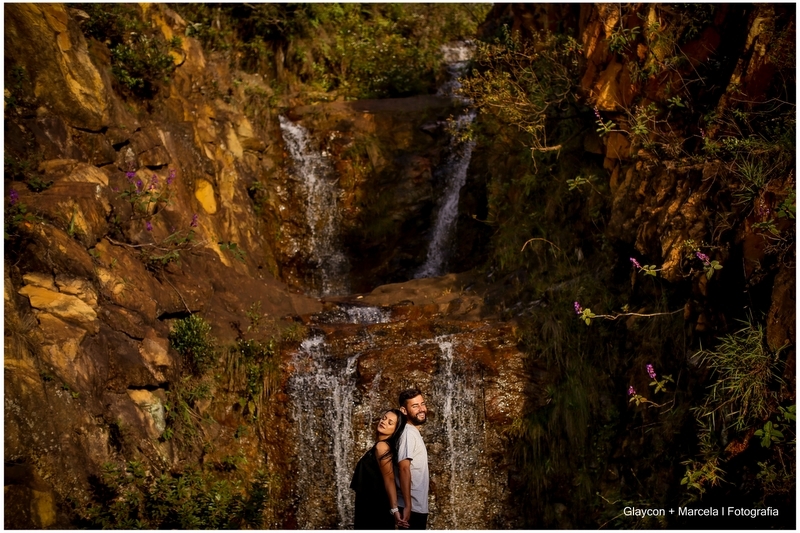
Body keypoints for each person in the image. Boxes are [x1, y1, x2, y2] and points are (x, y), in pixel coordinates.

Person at [350, 409, 410, 530]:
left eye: (390, 422)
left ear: (395, 430)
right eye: (384, 418)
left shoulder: (382, 447)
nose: (384, 422)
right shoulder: (382, 445)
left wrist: (394, 510)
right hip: (371, 504)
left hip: (374, 507)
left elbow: (389, 478)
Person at [396, 388, 429, 529]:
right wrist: (408, 505)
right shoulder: (408, 432)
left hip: (416, 506)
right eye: (415, 406)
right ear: (404, 411)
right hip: (411, 508)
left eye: (422, 404)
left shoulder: (412, 431)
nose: (421, 409)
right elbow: (404, 468)